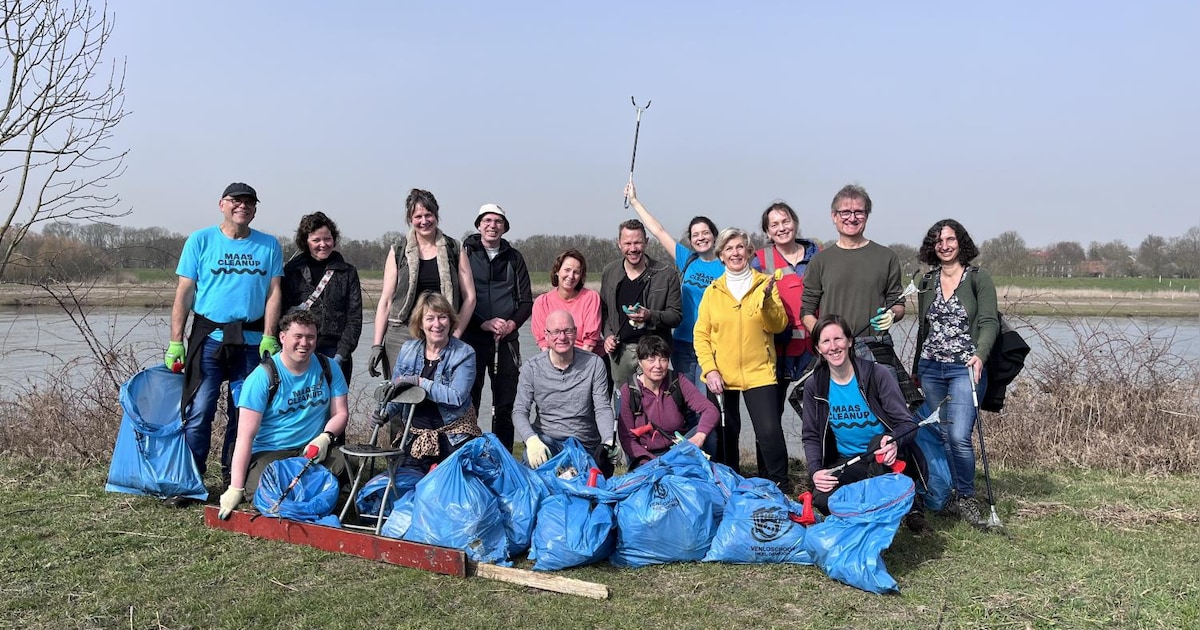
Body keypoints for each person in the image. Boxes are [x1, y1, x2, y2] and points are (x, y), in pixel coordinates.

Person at [166, 182, 283, 507]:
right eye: (235, 200)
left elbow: (274, 292)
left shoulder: (269, 245)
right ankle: (188, 482)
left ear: (255, 208)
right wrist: (176, 342)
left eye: (249, 202)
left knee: (244, 413)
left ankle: (235, 479)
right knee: (200, 410)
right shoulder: (200, 240)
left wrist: (271, 335)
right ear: (222, 204)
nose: (242, 206)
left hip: (251, 344)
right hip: (210, 341)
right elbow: (184, 292)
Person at [800, 314, 932, 534]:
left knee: (877, 442)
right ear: (818, 348)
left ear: (850, 341)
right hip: (847, 460)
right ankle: (871, 508)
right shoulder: (815, 384)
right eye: (826, 341)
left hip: (885, 457)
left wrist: (893, 442)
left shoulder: (876, 374)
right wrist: (816, 471)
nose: (833, 347)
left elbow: (908, 424)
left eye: (838, 339)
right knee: (822, 500)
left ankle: (908, 506)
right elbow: (811, 435)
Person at [217, 310, 349, 520]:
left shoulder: (329, 367)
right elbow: (245, 438)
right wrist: (235, 487)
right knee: (267, 489)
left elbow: (341, 413)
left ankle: (308, 495)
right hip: (271, 454)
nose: (304, 343)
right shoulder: (262, 377)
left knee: (348, 464)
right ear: (282, 337)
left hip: (311, 449)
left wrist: (326, 437)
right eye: (298, 337)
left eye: (310, 337)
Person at [800, 184, 921, 408]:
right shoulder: (820, 261)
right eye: (845, 212)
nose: (852, 217)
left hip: (877, 348)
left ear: (867, 216)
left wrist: (892, 315)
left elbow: (899, 303)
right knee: (833, 417)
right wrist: (827, 341)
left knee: (889, 417)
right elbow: (807, 312)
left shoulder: (886, 257)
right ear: (834, 216)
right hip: (834, 354)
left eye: (859, 212)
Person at [911, 219, 999, 525]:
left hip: (965, 368)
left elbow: (989, 321)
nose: (944, 245)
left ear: (960, 243)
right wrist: (916, 369)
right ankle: (948, 494)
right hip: (932, 367)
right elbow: (924, 328)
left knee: (959, 435)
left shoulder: (978, 278)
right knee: (943, 433)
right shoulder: (927, 281)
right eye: (937, 240)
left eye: (949, 239)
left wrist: (980, 356)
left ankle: (967, 496)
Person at [693, 227, 791, 490]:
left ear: (748, 252)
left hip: (760, 372)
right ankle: (729, 486)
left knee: (769, 432)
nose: (735, 253)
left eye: (739, 247)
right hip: (721, 376)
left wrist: (769, 301)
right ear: (721, 256)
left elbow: (778, 325)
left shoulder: (765, 283)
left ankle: (779, 485)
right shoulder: (712, 292)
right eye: (728, 248)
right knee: (726, 434)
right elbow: (701, 335)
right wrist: (710, 370)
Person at [623, 180, 723, 389]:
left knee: (707, 402)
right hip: (683, 343)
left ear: (714, 235)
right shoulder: (687, 259)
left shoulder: (726, 266)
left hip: (713, 345)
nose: (701, 238)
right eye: (695, 235)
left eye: (705, 233)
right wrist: (634, 201)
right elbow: (658, 231)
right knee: (686, 399)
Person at [368, 189, 476, 378]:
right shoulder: (398, 250)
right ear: (410, 219)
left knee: (438, 393)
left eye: (428, 215)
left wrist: (455, 335)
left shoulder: (455, 248)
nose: (424, 221)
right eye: (418, 216)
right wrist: (377, 344)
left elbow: (470, 298)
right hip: (400, 333)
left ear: (436, 215)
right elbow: (385, 301)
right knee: (400, 395)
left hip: (441, 331)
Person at [378, 292, 481, 472]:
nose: (437, 324)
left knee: (452, 488)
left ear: (450, 321)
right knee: (401, 487)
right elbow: (397, 392)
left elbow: (457, 397)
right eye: (430, 318)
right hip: (415, 435)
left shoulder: (464, 353)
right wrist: (384, 413)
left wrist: (420, 382)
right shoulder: (408, 349)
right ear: (420, 323)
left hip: (453, 435)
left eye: (442, 317)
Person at [462, 204, 533, 452]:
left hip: (506, 341)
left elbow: (526, 301)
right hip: (473, 337)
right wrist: (481, 322)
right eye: (487, 221)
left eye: (498, 221)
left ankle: (502, 455)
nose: (492, 225)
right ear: (479, 225)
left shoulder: (515, 258)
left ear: (504, 227)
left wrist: (512, 323)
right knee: (469, 399)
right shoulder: (465, 253)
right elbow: (459, 297)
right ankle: (468, 452)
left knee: (506, 403)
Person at [513, 310, 617, 476]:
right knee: (533, 470)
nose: (562, 337)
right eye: (555, 332)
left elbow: (603, 408)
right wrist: (530, 439)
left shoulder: (594, 364)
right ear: (546, 335)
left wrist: (608, 440)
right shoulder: (531, 368)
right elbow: (519, 411)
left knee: (591, 485)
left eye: (567, 331)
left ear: (575, 333)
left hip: (585, 443)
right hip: (547, 441)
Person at [751, 201, 821, 413]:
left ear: (795, 223)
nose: (781, 228)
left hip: (815, 350)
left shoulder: (819, 255)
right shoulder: (759, 261)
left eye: (785, 221)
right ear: (767, 232)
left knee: (817, 413)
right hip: (776, 351)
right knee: (770, 416)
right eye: (774, 225)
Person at [599, 219, 683, 389]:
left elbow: (676, 316)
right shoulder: (610, 272)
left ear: (646, 242)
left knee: (655, 403)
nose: (633, 248)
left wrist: (649, 315)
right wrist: (607, 335)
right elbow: (605, 311)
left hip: (655, 353)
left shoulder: (666, 274)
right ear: (619, 244)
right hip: (620, 354)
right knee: (624, 404)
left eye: (637, 242)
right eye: (627, 243)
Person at [281, 211, 362, 383]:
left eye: (327, 239)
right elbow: (281, 313)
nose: (323, 244)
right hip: (299, 349)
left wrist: (342, 354)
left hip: (336, 351)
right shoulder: (291, 272)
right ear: (305, 242)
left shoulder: (348, 272)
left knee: (335, 406)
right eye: (316, 240)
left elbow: (354, 318)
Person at [616, 335, 719, 469]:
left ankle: (710, 470)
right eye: (651, 360)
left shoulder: (677, 381)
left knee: (708, 430)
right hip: (646, 458)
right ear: (640, 363)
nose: (657, 366)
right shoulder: (629, 390)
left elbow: (710, 410)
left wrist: (699, 436)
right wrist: (654, 463)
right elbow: (627, 438)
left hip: (677, 450)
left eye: (663, 359)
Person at [531, 249, 603, 354]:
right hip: (555, 359)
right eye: (567, 270)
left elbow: (590, 341)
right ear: (557, 271)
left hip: (588, 357)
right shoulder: (542, 302)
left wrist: (575, 366)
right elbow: (543, 343)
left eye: (576, 272)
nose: (571, 276)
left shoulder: (590, 298)